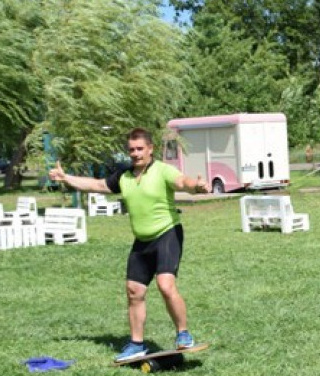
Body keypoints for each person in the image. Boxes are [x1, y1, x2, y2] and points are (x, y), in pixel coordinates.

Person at [49, 128, 209, 362]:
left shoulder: (162, 170)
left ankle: (183, 334)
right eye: (131, 150)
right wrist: (66, 178)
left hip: (167, 234)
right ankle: (136, 344)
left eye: (139, 149)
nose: (135, 153)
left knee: (165, 285)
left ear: (150, 149)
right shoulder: (124, 176)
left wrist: (195, 186)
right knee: (134, 292)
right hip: (141, 241)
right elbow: (97, 185)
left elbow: (182, 181)